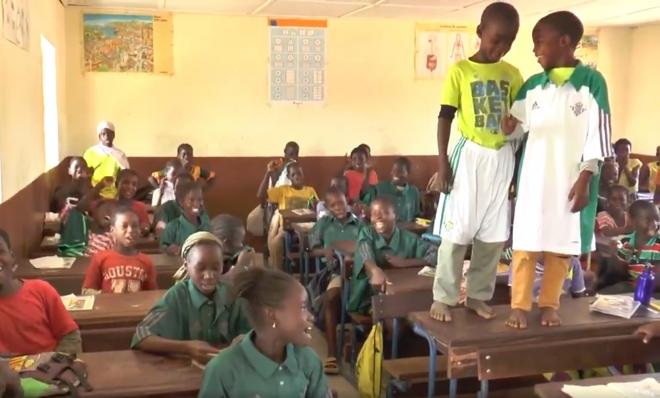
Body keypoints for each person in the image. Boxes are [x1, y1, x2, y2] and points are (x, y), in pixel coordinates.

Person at [502, 11, 613, 328]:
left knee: (560, 249)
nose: (535, 50)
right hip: (535, 180)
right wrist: (508, 125)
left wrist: (586, 178)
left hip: (570, 179)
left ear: (564, 42)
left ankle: (550, 303)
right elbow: (515, 131)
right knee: (525, 246)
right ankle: (519, 306)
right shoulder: (533, 86)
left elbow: (599, 134)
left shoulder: (591, 83)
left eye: (539, 43)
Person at [429, 2, 524, 322]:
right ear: (480, 32)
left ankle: (479, 296)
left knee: (493, 234)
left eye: (509, 41)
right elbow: (445, 118)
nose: (501, 47)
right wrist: (443, 164)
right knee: (457, 233)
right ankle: (444, 296)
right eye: (496, 39)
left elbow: (521, 121)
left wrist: (515, 173)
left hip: (502, 158)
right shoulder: (460, 71)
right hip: (469, 156)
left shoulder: (512, 74)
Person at [198, 268, 331, 398]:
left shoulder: (309, 361)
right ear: (272, 315)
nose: (311, 316)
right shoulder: (222, 369)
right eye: (302, 307)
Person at [132, 232, 251, 365]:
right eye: (201, 268)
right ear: (186, 265)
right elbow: (141, 337)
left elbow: (258, 330)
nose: (209, 276)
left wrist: (246, 339)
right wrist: (187, 347)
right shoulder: (176, 296)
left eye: (216, 268)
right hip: (185, 372)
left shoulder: (232, 294)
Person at [348, 197, 435, 315]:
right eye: (374, 214)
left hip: (405, 294)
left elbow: (436, 254)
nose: (378, 217)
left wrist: (405, 263)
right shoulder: (367, 233)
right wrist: (375, 270)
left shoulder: (409, 239)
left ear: (396, 216)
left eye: (384, 213)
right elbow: (365, 252)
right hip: (369, 297)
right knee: (390, 313)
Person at [0, 229, 81, 355]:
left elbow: (70, 337)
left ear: (12, 257)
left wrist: (54, 367)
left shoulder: (41, 290)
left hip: (49, 370)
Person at [308, 187, 362, 374]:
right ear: (328, 207)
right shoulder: (324, 224)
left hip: (361, 273)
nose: (339, 207)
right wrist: (325, 251)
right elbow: (311, 249)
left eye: (341, 202)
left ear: (347, 201)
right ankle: (332, 354)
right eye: (333, 205)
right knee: (331, 298)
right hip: (336, 272)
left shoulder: (359, 223)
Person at [82, 206, 157, 294]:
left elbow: (151, 294)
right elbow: (86, 290)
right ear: (113, 230)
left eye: (135, 226)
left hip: (135, 307)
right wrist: (105, 296)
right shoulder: (100, 258)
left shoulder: (146, 261)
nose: (130, 230)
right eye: (124, 226)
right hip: (108, 306)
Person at [257, 163, 318, 269]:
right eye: (293, 175)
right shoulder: (283, 190)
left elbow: (317, 208)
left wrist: (315, 206)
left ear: (303, 174)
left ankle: (309, 270)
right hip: (287, 228)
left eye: (299, 173)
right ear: (289, 177)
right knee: (277, 243)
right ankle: (279, 272)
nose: (297, 176)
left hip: (306, 228)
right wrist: (268, 173)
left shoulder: (310, 191)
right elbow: (261, 195)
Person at [598, 200, 659, 294]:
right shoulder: (626, 242)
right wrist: (614, 255)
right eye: (648, 220)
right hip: (631, 287)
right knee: (604, 293)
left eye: (657, 219)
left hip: (653, 290)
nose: (654, 224)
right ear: (632, 221)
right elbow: (621, 273)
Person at [362, 157, 421, 222]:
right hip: (384, 229)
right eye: (394, 170)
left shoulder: (413, 192)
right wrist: (367, 171)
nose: (395, 174)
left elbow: (416, 215)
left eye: (400, 171)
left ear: (408, 173)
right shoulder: (379, 188)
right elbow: (366, 203)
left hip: (407, 230)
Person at [160, 180, 211, 256]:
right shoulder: (173, 227)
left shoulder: (207, 226)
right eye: (191, 200)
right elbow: (163, 247)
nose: (196, 204)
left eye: (200, 200)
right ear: (181, 202)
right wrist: (169, 249)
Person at [83, 121, 130, 199]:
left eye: (110, 133)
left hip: (113, 193)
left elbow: (126, 174)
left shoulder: (120, 154)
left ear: (114, 135)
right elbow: (84, 175)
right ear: (99, 136)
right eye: (103, 134)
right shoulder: (91, 152)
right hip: (93, 191)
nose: (107, 136)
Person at [150, 144, 215, 190]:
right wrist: (159, 189)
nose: (187, 157)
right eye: (184, 154)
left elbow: (212, 176)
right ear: (178, 156)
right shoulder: (172, 169)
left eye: (189, 154)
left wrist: (202, 190)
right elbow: (151, 178)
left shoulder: (197, 170)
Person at [115, 169, 151, 236]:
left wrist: (144, 229)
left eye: (134, 184)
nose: (130, 187)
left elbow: (145, 227)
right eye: (125, 183)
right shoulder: (108, 205)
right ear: (116, 184)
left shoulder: (140, 207)